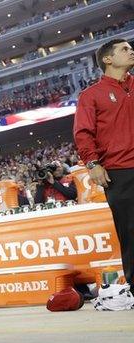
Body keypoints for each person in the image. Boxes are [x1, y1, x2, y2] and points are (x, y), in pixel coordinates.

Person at [74, 38, 134, 292]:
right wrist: (92, 163)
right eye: (124, 49)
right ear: (108, 60)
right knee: (130, 231)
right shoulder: (91, 95)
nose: (131, 50)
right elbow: (83, 133)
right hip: (119, 171)